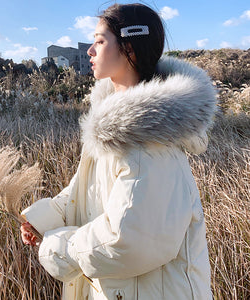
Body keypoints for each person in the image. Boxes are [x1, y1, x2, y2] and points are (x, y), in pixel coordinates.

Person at [20, 3, 217, 299]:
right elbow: (85, 189)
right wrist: (44, 220)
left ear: (130, 49)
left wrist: (57, 246)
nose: (89, 50)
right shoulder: (114, 126)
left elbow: (129, 241)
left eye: (100, 41)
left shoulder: (150, 139)